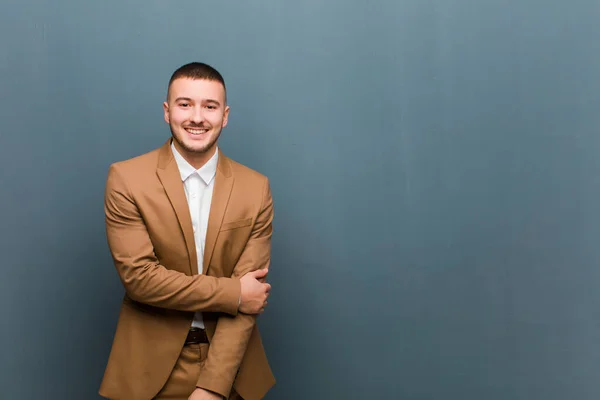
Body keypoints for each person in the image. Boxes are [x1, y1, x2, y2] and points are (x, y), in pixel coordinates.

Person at [99, 62, 275, 400]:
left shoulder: (256, 188)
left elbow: (251, 298)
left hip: (232, 367)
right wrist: (233, 293)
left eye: (209, 106)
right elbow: (140, 280)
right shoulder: (126, 179)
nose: (197, 117)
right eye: (185, 104)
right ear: (167, 112)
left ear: (225, 115)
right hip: (147, 372)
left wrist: (212, 388)